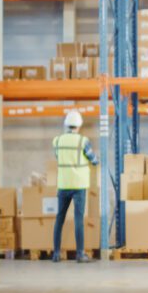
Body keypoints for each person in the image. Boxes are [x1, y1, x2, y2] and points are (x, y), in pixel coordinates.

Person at [52, 110, 99, 263]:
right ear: (79, 126)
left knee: (59, 218)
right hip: (79, 185)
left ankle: (56, 254)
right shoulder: (83, 141)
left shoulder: (57, 140)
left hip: (63, 184)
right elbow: (93, 159)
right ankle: (80, 254)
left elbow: (58, 156)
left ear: (66, 125)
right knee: (78, 219)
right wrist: (95, 160)